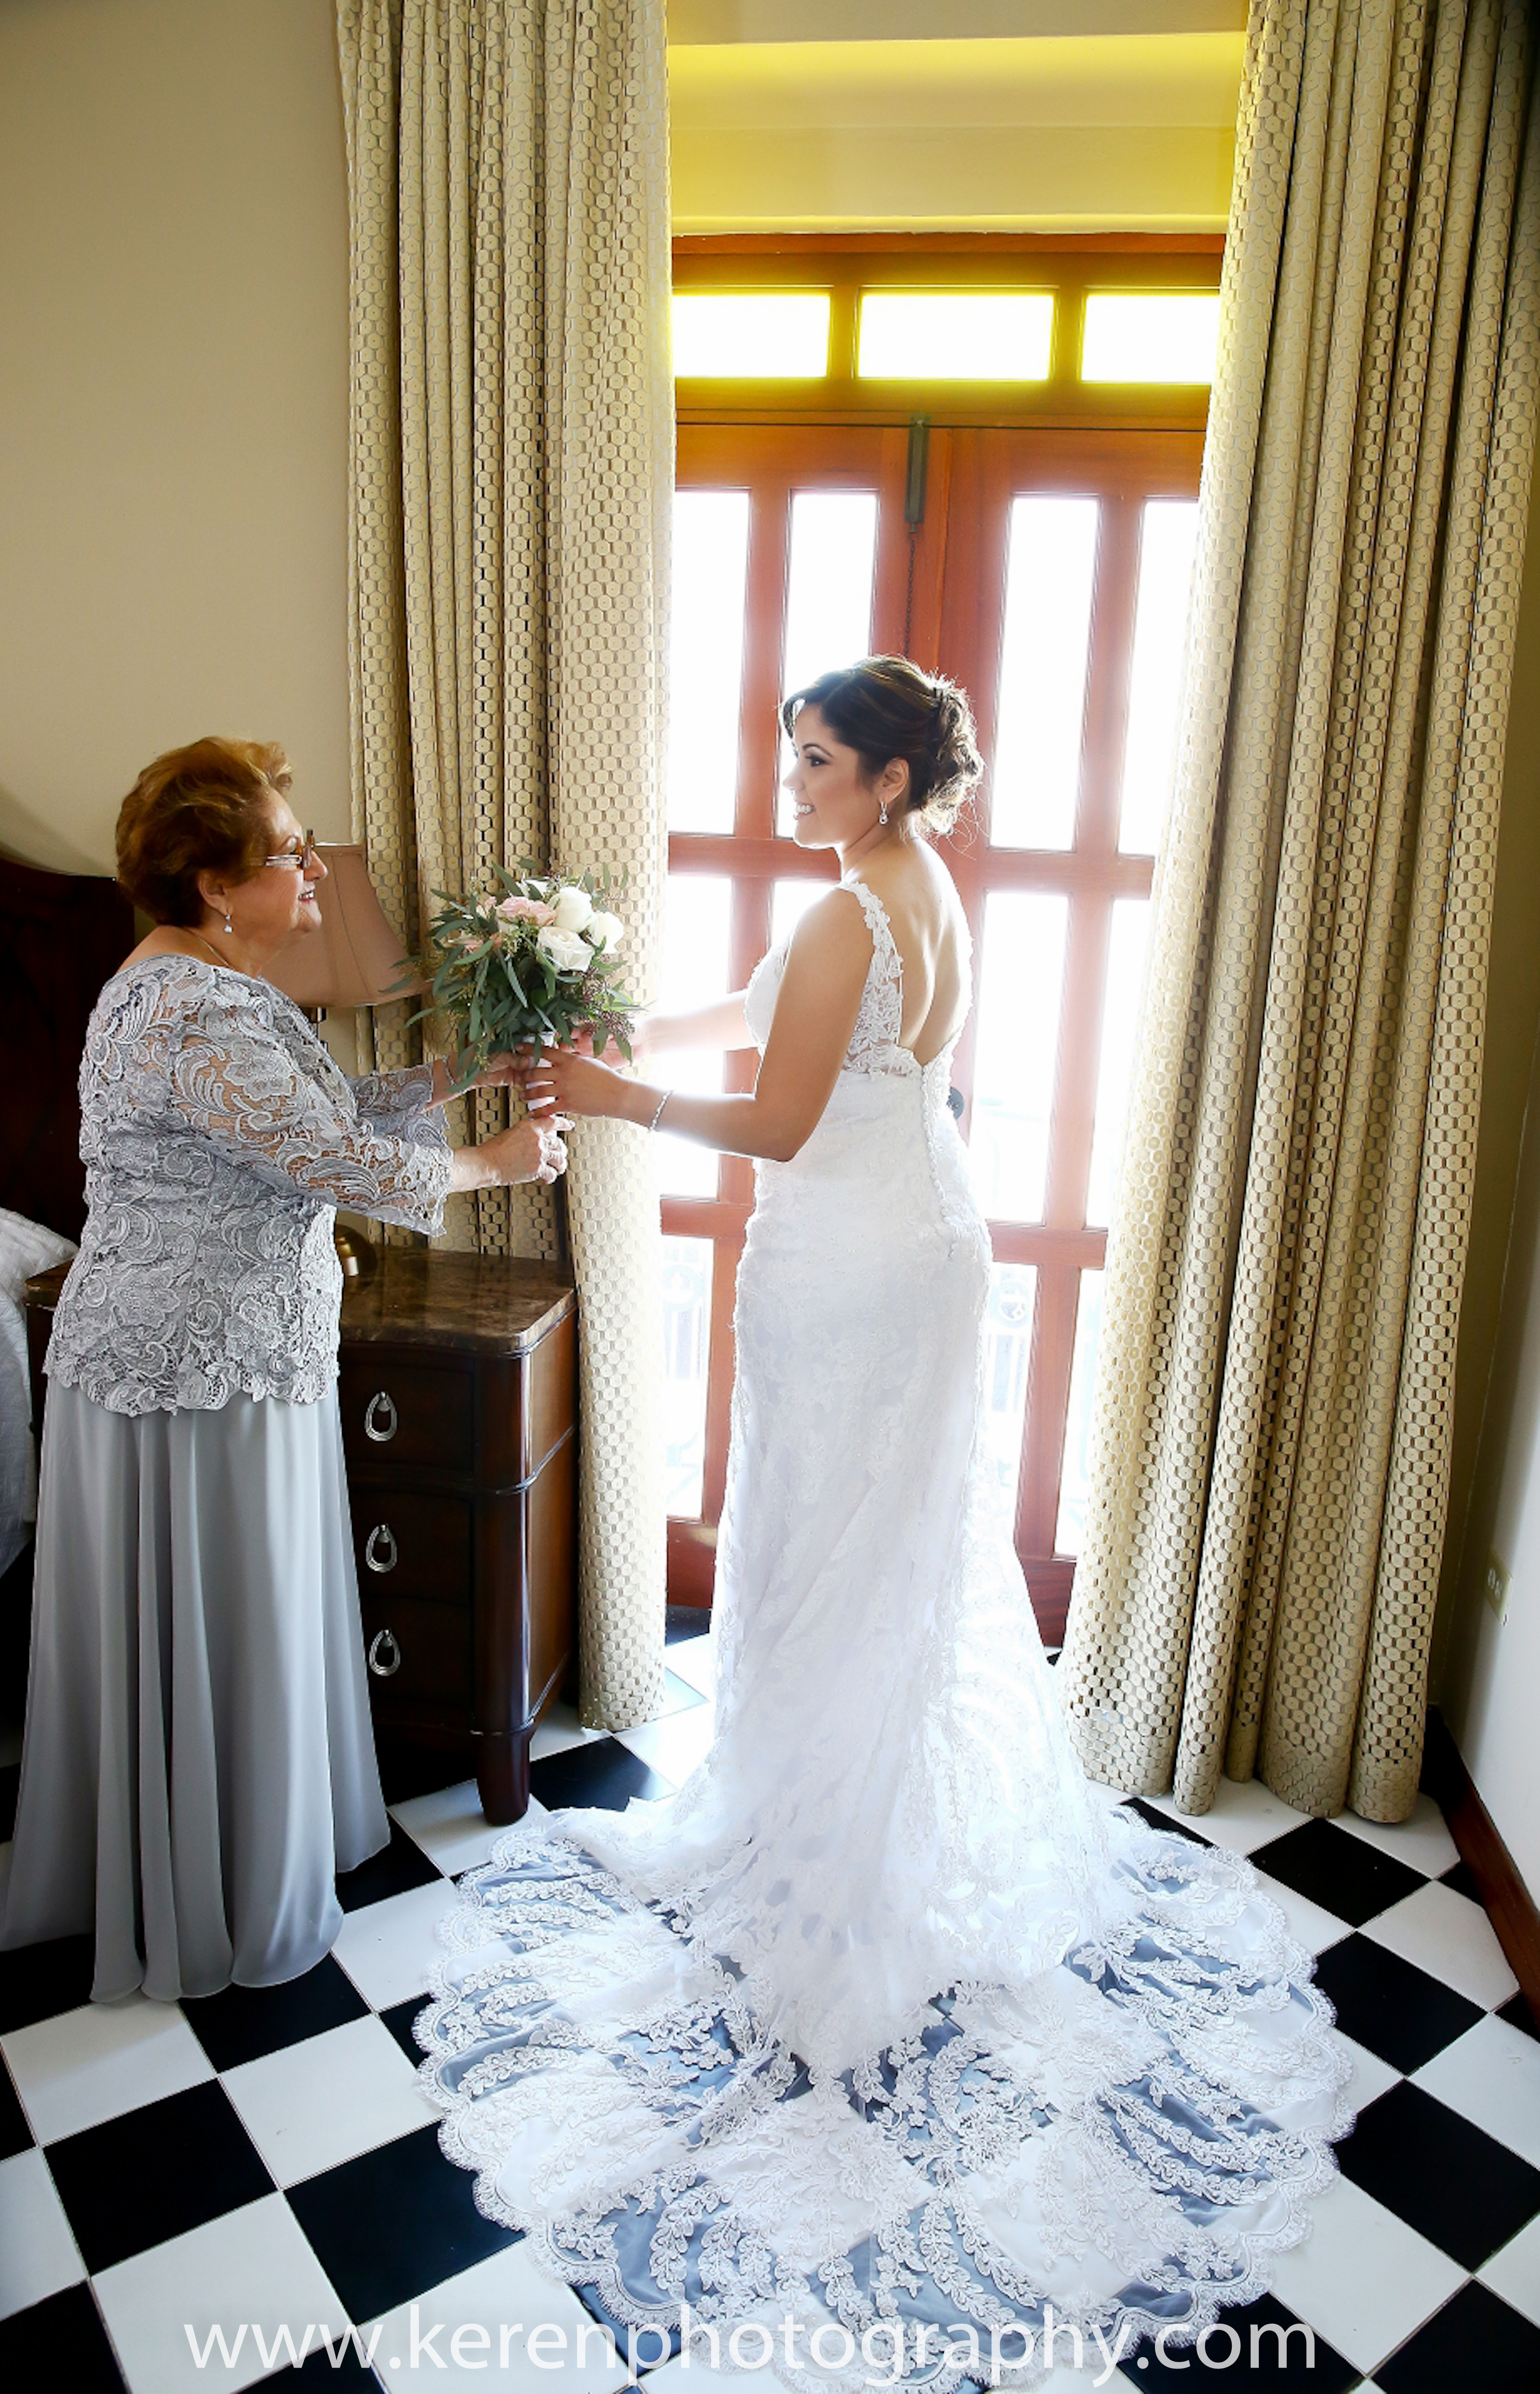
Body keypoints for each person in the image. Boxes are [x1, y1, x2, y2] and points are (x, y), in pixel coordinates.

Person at [415, 659, 1352, 2388]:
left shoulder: (860, 905)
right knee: (878, 1551)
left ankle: (830, 1856)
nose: (790, 780)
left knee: (828, 1545)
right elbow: (774, 1028)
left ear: (895, 774)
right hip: (916, 1238)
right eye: (789, 753)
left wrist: (618, 1107)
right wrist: (632, 1035)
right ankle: (845, 1806)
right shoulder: (909, 890)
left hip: (847, 1266)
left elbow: (777, 1118)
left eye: (819, 759)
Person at [0, 737, 566, 2003]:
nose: (315, 877)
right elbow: (336, 1165)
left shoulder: (194, 989)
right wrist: (493, 1166)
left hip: (213, 1356)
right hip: (197, 1373)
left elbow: (316, 1118)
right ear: (218, 882)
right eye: (291, 855)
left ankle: (214, 1850)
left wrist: (457, 1073)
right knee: (231, 1601)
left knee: (232, 1612)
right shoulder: (195, 1005)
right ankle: (214, 1890)